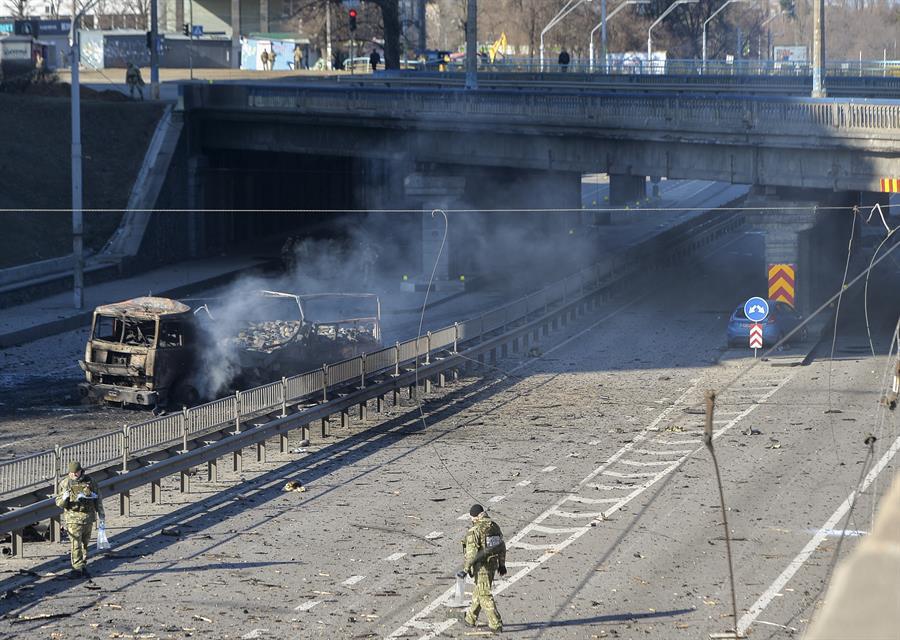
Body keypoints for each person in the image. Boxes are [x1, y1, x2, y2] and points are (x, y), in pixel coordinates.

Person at [55, 461, 105, 579]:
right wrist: (64, 498)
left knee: (85, 544)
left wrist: (101, 514)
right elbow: (59, 503)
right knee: (75, 544)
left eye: (76, 472)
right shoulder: (65, 483)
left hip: (88, 517)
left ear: (81, 471)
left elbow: (98, 499)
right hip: (73, 518)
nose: (74, 475)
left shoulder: (90, 481)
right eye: (71, 473)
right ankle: (77, 567)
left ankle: (83, 565)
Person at [461, 504, 506, 634]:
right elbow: (501, 546)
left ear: (475, 517)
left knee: (484, 594)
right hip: (493, 564)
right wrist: (502, 564)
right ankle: (470, 618)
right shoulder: (494, 526)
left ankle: (496, 623)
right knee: (479, 590)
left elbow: (471, 554)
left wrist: (465, 569)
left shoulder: (474, 530)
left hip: (481, 567)